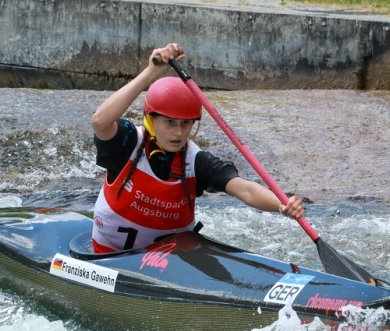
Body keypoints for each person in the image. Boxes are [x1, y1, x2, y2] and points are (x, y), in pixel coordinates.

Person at [90, 43, 304, 254]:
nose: (179, 133)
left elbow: (245, 189)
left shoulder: (196, 161)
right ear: (151, 119)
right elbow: (100, 121)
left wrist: (281, 205)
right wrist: (151, 72)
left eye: (186, 124)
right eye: (170, 123)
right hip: (106, 255)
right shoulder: (127, 142)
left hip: (170, 263)